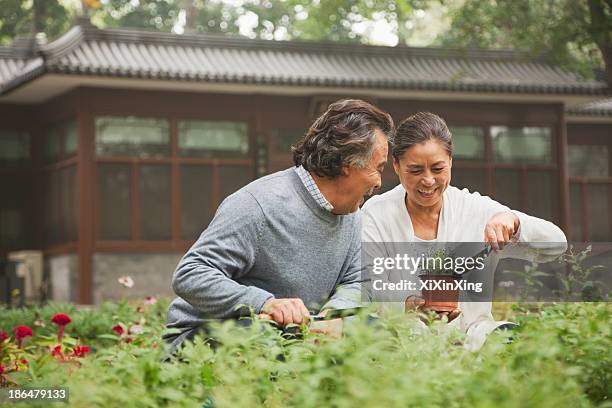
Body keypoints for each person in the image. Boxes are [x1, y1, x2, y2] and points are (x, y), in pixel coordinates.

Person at [164, 99, 394, 351]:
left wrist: (333, 317)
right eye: (378, 168)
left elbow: (357, 280)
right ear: (348, 164)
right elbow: (191, 273)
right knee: (265, 336)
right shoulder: (259, 204)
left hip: (296, 334)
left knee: (374, 330)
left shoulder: (351, 215)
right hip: (207, 335)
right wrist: (266, 303)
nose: (379, 182)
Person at [361, 112, 567, 351]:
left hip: (472, 338)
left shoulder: (475, 210)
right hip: (401, 340)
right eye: (415, 170)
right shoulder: (377, 214)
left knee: (517, 341)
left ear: (450, 162)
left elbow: (557, 244)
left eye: (438, 168)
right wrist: (407, 304)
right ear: (396, 166)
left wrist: (514, 222)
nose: (428, 181)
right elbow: (369, 288)